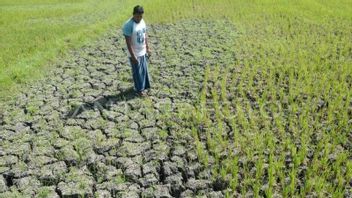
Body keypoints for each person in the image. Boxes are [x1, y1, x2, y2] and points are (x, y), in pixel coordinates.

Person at [122, 5, 151, 97]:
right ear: (133, 14)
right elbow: (128, 43)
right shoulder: (128, 25)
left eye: (141, 16)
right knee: (137, 73)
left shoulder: (142, 21)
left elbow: (145, 34)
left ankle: (144, 87)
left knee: (144, 71)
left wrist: (148, 47)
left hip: (143, 51)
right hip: (135, 53)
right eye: (137, 16)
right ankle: (139, 91)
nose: (139, 18)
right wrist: (133, 56)